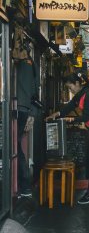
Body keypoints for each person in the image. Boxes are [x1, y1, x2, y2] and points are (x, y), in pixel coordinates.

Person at [46, 73, 89, 205]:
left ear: (77, 83)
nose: (70, 90)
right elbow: (68, 108)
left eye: (70, 88)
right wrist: (55, 115)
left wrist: (68, 119)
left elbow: (86, 117)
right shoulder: (80, 96)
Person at [15, 43, 39, 198]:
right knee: (17, 146)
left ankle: (24, 186)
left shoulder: (23, 65)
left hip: (20, 108)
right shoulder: (32, 65)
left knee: (15, 147)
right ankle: (25, 186)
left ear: (24, 52)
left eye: (18, 50)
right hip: (27, 109)